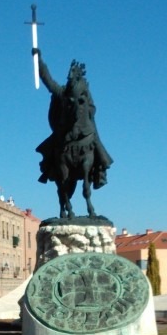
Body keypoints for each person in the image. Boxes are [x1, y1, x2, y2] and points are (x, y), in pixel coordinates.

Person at [34, 48, 113, 219]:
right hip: (65, 136)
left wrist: (88, 111)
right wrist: (39, 61)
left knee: (97, 145)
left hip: (84, 132)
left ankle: (100, 170)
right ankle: (63, 200)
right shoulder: (62, 93)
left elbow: (92, 108)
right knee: (54, 152)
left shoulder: (85, 93)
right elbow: (48, 81)